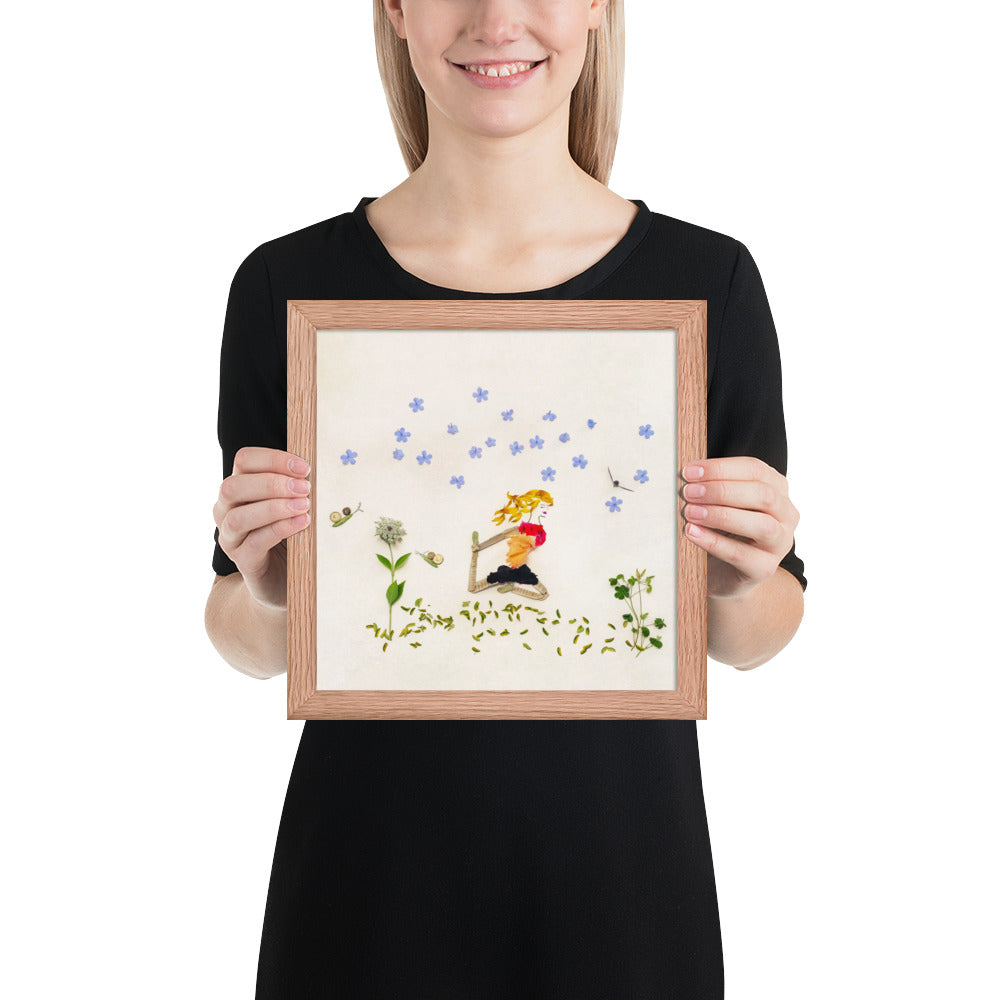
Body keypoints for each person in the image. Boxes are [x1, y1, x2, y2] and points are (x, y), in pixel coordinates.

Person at [205, 1, 807, 996]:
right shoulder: (290, 285)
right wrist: (272, 588)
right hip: (365, 897)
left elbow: (755, 635)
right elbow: (240, 632)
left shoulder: (707, 282)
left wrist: (742, 572)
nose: (497, 19)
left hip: (621, 894)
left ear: (597, 7)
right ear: (396, 8)